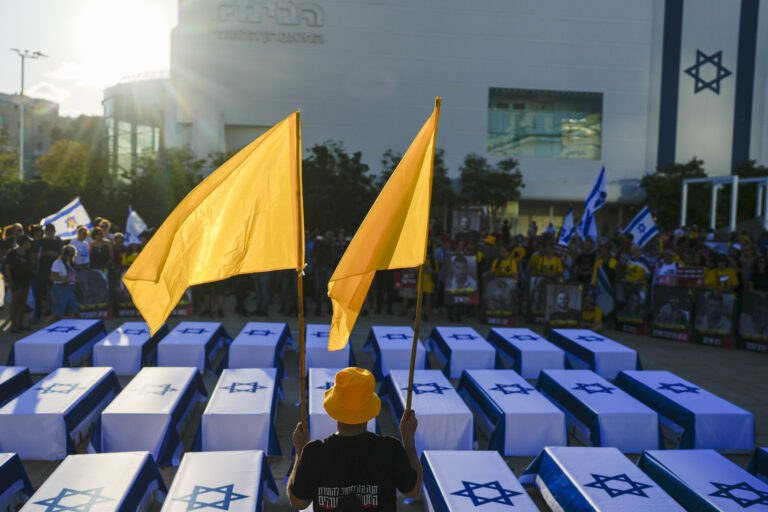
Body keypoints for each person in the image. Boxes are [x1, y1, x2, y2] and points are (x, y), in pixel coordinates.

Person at [287, 367, 421, 511]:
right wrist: (408, 439)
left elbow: (299, 503)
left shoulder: (314, 452)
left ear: (335, 409)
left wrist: (300, 451)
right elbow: (412, 491)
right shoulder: (390, 448)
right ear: (370, 411)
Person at [4, 235, 34, 332]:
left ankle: (20, 324)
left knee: (22, 303)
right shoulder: (13, 253)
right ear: (23, 243)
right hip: (16, 281)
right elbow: (7, 268)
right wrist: (10, 281)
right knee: (15, 304)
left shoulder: (28, 253)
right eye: (28, 242)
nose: (29, 243)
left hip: (25, 281)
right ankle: (14, 326)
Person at [46, 245, 79, 325]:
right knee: (57, 314)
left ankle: (73, 332)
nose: (72, 257)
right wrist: (64, 279)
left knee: (73, 311)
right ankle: (43, 330)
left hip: (69, 289)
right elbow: (52, 277)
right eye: (70, 255)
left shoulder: (70, 263)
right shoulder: (58, 263)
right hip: (59, 290)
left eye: (73, 255)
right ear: (64, 255)